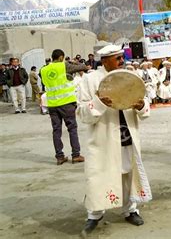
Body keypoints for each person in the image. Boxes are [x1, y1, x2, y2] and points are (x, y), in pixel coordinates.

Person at [77, 45, 152, 235]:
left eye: (121, 57)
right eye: (117, 58)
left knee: (128, 174)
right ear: (104, 61)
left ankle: (130, 210)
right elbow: (82, 112)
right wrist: (100, 103)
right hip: (103, 138)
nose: (121, 61)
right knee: (98, 175)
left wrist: (141, 105)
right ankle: (94, 214)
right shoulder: (90, 80)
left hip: (127, 136)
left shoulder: (130, 77)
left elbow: (145, 102)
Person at [41, 49, 89, 164]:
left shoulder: (43, 70)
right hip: (66, 103)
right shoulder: (64, 66)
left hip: (52, 104)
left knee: (56, 130)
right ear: (61, 57)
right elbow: (84, 67)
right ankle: (76, 155)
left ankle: (59, 157)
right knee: (72, 129)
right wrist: (75, 62)